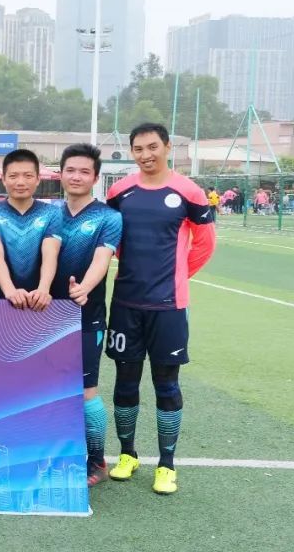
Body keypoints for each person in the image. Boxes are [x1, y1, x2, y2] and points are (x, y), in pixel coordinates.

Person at [105, 122, 216, 495]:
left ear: (167, 147)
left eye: (152, 146)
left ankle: (167, 464)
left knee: (166, 383)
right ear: (132, 152)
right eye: (138, 149)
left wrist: (177, 276)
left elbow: (205, 243)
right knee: (125, 381)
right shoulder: (120, 192)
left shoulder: (189, 191)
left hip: (169, 305)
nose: (146, 154)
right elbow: (113, 241)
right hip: (126, 302)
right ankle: (127, 455)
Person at [50, 143, 123, 486]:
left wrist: (84, 288)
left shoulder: (108, 217)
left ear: (95, 178)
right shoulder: (47, 214)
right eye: (70, 170)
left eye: (84, 171)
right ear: (60, 174)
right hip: (44, 315)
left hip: (86, 317)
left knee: (86, 391)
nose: (76, 176)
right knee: (45, 389)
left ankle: (96, 461)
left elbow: (102, 259)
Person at [0, 149, 62, 311]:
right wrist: (10, 291)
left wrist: (43, 289)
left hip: (39, 302)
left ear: (38, 179)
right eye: (13, 176)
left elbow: (50, 254)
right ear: (3, 179)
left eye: (28, 176)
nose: (20, 182)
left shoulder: (52, 213)